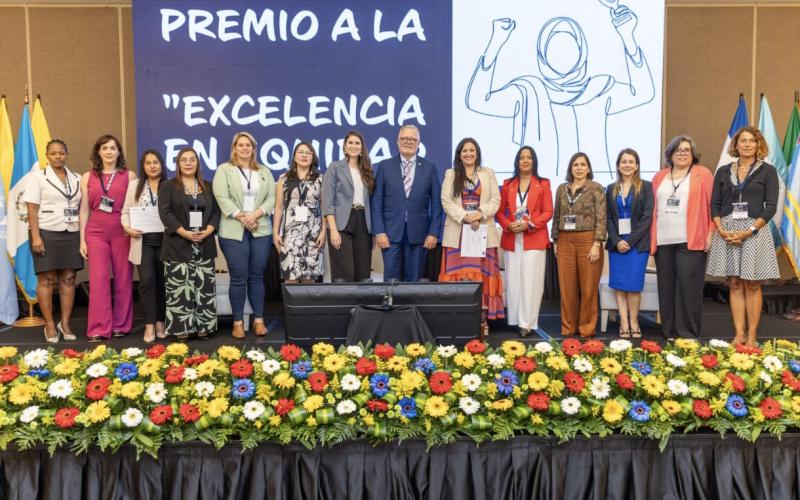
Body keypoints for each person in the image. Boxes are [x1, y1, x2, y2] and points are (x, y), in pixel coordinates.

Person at [707, 126, 780, 346]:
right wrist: (721, 230)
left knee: (753, 284)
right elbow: (715, 204)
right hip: (727, 230)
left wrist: (749, 231)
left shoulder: (767, 171)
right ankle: (739, 334)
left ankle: (752, 336)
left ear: (759, 145)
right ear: (736, 145)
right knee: (735, 284)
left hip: (754, 231)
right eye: (743, 141)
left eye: (751, 141)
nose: (747, 144)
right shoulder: (722, 171)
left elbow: (771, 207)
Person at [212, 132, 275, 339]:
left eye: (249, 145)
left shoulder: (264, 171)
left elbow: (272, 198)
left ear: (253, 149)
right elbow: (221, 196)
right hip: (233, 230)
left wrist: (255, 214)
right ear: (234, 147)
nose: (245, 148)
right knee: (238, 277)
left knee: (257, 277)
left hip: (261, 229)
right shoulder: (224, 169)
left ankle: (258, 320)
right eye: (241, 145)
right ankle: (237, 322)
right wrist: (242, 217)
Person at [439, 138, 504, 336]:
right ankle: (458, 318)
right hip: (458, 234)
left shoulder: (488, 173)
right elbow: (446, 201)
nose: (468, 153)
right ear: (459, 154)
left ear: (477, 153)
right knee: (459, 278)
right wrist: (466, 216)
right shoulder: (451, 174)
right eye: (464, 150)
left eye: (472, 150)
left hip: (482, 233)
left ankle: (481, 321)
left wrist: (479, 213)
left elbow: (495, 200)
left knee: (482, 278)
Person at [650, 136, 714, 339]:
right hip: (663, 240)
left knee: (688, 287)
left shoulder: (702, 174)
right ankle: (668, 331)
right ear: (670, 154)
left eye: (686, 150)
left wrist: (711, 233)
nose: (682, 153)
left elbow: (712, 206)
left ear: (693, 154)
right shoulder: (659, 177)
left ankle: (686, 333)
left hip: (691, 239)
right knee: (666, 287)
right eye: (678, 150)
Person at [23, 139, 82, 343]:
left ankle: (64, 323)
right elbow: (31, 208)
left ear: (67, 154)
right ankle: (49, 324)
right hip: (46, 231)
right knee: (46, 279)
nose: (58, 156)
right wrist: (36, 236)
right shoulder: (37, 178)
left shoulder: (77, 178)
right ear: (47, 156)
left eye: (61, 153)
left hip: (72, 232)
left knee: (69, 278)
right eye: (53, 153)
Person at [158, 147, 220, 340]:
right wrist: (184, 232)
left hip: (205, 243)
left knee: (204, 289)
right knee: (180, 289)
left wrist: (209, 230)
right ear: (178, 163)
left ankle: (204, 327)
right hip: (178, 244)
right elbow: (165, 213)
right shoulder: (168, 186)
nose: (188, 163)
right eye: (184, 159)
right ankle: (181, 328)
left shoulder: (208, 186)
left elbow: (216, 213)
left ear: (197, 163)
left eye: (192, 159)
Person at [79, 134, 136, 341]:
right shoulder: (87, 177)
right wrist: (82, 239)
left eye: (113, 148)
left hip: (122, 230)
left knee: (123, 278)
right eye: (104, 148)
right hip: (95, 232)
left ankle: (121, 324)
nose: (109, 152)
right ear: (98, 152)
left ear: (119, 152)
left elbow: (134, 206)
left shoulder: (129, 176)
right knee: (98, 279)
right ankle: (98, 327)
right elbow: (84, 210)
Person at [371, 124, 443, 282]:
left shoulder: (430, 168)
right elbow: (377, 202)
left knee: (414, 281)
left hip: (419, 234)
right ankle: (391, 308)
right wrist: (379, 231)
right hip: (390, 234)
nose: (408, 142)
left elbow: (437, 204)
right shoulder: (385, 166)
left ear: (418, 143)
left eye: (412, 139)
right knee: (390, 281)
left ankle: (411, 308)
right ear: (397, 141)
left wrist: (433, 233)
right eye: (404, 138)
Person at [496, 146, 552, 337]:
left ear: (534, 161)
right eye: (522, 157)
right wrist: (508, 225)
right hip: (512, 238)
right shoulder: (508, 184)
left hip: (533, 237)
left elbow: (548, 211)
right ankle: (514, 319)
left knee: (531, 280)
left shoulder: (543, 184)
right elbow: (499, 211)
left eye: (529, 157)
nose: (526, 160)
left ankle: (527, 323)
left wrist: (529, 225)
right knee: (513, 281)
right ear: (517, 162)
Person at [551, 152, 606, 337]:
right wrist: (555, 240)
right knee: (567, 288)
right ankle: (568, 328)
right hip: (565, 240)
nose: (579, 168)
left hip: (588, 240)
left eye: (583, 164)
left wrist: (597, 243)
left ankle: (587, 328)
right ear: (570, 168)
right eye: (575, 165)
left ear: (588, 168)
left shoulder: (596, 188)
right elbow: (556, 215)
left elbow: (601, 217)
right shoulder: (561, 189)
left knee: (588, 288)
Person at [605, 148, 653, 339]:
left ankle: (634, 321)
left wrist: (629, 241)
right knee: (619, 285)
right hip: (617, 246)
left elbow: (647, 217)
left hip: (637, 246)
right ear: (618, 165)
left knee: (633, 286)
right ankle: (623, 322)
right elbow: (608, 217)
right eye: (623, 161)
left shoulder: (646, 187)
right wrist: (617, 241)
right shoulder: (610, 188)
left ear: (637, 165)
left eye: (631, 161)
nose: (627, 165)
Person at [121, 149, 168, 343]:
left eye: (155, 162)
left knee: (164, 283)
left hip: (167, 242)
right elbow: (125, 212)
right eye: (148, 163)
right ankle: (149, 324)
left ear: (161, 164)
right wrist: (127, 227)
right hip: (143, 241)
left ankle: (160, 322)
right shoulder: (135, 185)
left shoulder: (170, 185)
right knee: (147, 281)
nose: (152, 166)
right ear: (143, 166)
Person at [321, 130, 375, 282]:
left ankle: (361, 306)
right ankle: (343, 306)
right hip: (341, 222)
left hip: (364, 222)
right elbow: (328, 201)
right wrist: (333, 230)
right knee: (345, 272)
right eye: (350, 142)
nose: (353, 146)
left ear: (362, 147)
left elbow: (372, 202)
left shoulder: (368, 171)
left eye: (357, 143)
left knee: (363, 273)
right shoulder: (335, 167)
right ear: (344, 147)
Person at [273, 142, 325, 282]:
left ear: (313, 157)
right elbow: (278, 207)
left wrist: (324, 231)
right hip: (290, 235)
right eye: (300, 152)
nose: (304, 155)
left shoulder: (320, 179)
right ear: (294, 156)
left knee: (310, 279)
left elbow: (325, 207)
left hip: (314, 234)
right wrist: (275, 233)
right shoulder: (283, 179)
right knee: (290, 277)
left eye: (308, 153)